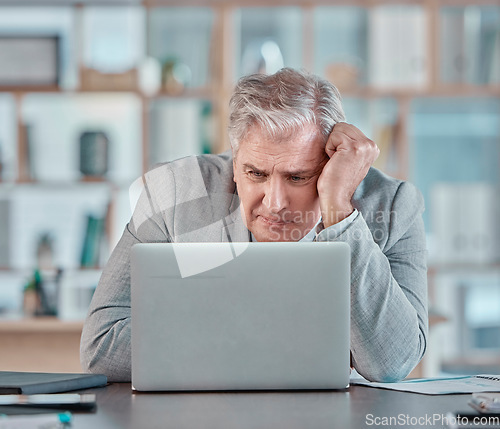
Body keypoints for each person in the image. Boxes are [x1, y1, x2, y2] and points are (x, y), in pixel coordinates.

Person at [80, 68, 428, 383]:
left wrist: (339, 209)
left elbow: (392, 363)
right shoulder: (173, 192)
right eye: (256, 173)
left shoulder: (394, 206)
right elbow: (102, 347)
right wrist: (304, 340)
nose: (274, 202)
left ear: (331, 162)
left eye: (297, 176)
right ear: (234, 161)